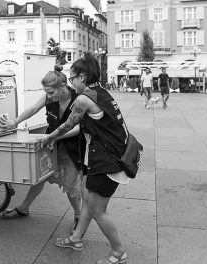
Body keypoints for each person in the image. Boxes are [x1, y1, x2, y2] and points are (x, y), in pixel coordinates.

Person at [42, 53, 129, 264]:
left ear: (82, 77)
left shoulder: (83, 98)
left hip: (108, 162)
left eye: (72, 79)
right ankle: (75, 238)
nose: (71, 83)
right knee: (88, 201)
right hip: (105, 157)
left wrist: (50, 137)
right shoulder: (101, 92)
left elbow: (68, 125)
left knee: (98, 210)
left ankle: (119, 252)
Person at [0, 66, 83, 234]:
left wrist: (54, 137)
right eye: (47, 93)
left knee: (70, 185)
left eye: (51, 92)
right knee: (40, 176)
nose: (48, 96)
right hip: (51, 144)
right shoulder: (50, 96)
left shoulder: (78, 99)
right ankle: (24, 208)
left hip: (72, 149)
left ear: (63, 87)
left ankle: (79, 216)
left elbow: (80, 127)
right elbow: (33, 109)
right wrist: (14, 122)